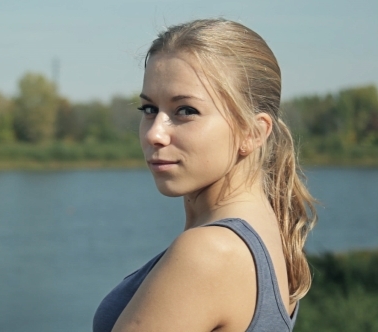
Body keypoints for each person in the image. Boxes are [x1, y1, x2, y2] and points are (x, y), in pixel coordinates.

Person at [93, 19, 317, 332]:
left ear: (253, 132)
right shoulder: (268, 229)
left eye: (185, 110)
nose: (154, 133)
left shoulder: (210, 252)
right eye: (148, 109)